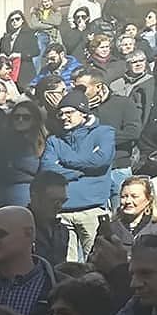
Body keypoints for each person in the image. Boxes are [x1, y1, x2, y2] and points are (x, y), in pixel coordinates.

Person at [41, 90, 115, 262]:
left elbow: (101, 160)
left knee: (99, 263)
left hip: (92, 210)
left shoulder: (104, 132)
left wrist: (65, 161)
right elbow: (47, 169)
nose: (63, 117)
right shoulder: (54, 140)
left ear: (83, 113)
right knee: (65, 268)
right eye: (60, 113)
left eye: (69, 112)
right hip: (62, 213)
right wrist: (79, 172)